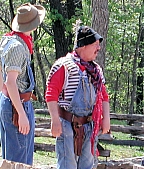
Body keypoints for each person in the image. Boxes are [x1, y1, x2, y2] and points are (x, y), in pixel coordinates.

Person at [45, 24, 110, 169]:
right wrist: (55, 120)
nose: (98, 49)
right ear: (83, 46)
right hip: (67, 125)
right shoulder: (64, 66)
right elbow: (51, 94)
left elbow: (104, 96)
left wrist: (106, 119)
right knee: (68, 165)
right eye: (94, 44)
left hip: (89, 125)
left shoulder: (96, 71)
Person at [0, 3, 45, 165]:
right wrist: (21, 113)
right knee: (20, 162)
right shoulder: (18, 47)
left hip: (10, 101)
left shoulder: (8, 40)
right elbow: (10, 82)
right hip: (17, 104)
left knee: (10, 161)